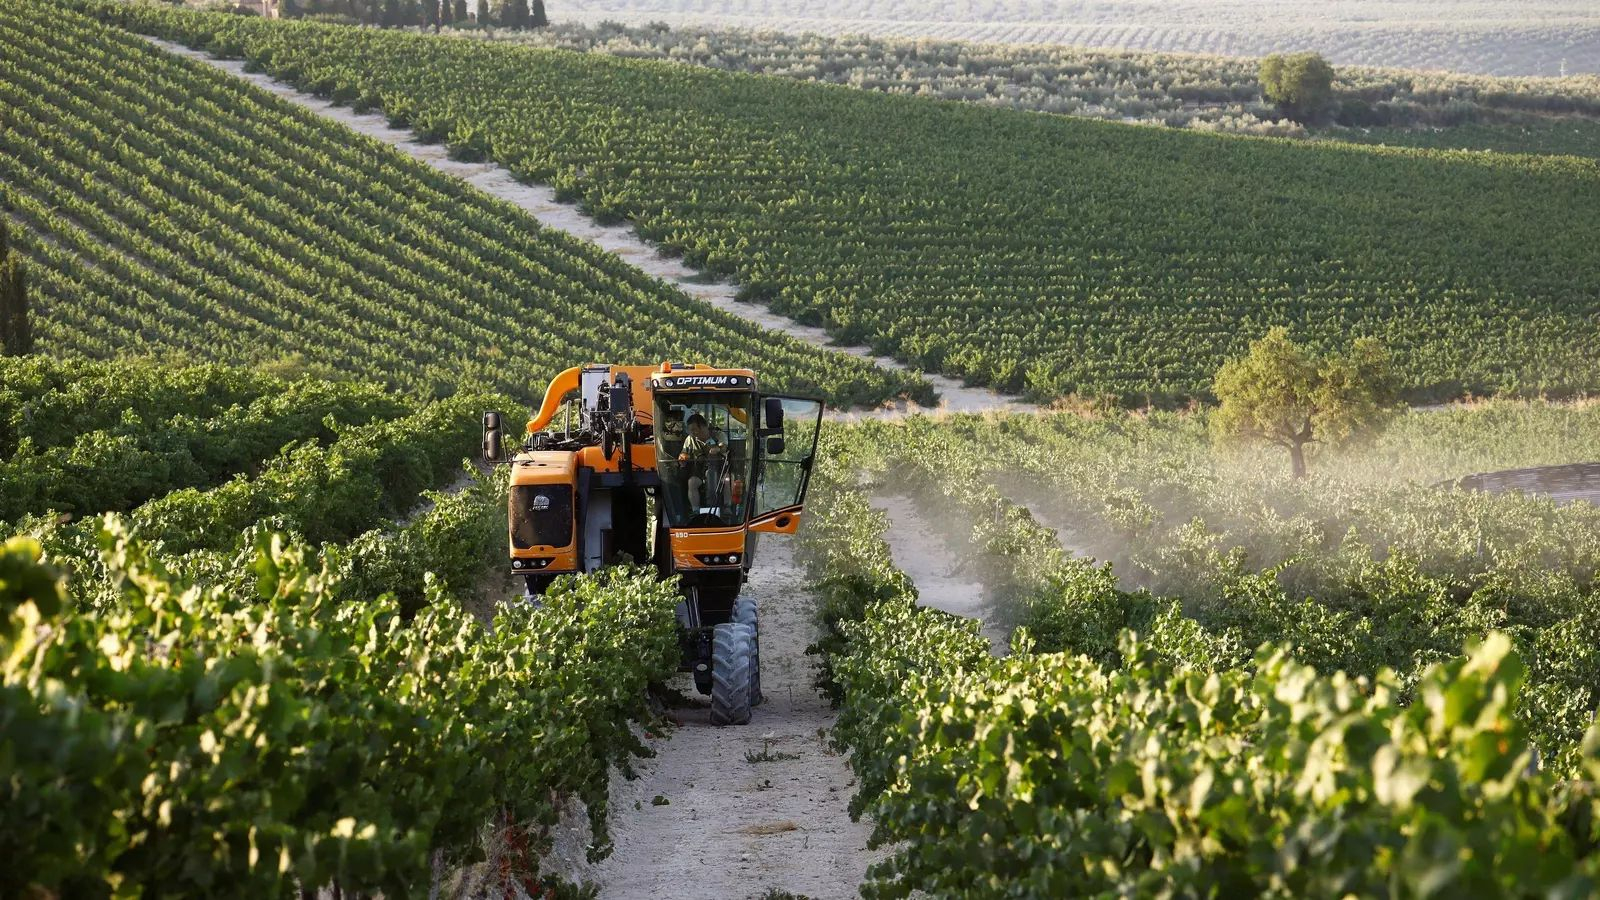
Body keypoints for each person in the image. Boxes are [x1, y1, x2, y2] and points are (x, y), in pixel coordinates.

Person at [680, 412, 725, 509]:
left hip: (720, 468)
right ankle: (695, 511)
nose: (692, 433)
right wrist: (683, 458)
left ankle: (719, 508)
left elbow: (723, 447)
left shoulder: (718, 434)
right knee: (692, 482)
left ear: (704, 427)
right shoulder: (690, 439)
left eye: (694, 430)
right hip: (700, 468)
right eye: (690, 430)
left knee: (717, 477)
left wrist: (718, 449)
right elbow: (684, 453)